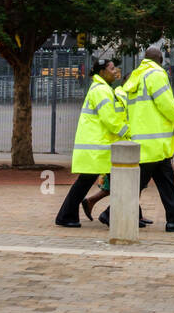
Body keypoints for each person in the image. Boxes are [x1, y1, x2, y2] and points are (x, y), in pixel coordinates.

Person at [119, 47, 174, 232]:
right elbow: (167, 106)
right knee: (140, 183)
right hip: (155, 142)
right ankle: (111, 213)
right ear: (161, 59)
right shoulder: (156, 74)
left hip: (146, 141)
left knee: (165, 182)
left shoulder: (138, 75)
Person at [54, 57, 131, 227]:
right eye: (111, 69)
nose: (115, 71)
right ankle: (67, 216)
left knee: (102, 182)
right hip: (97, 147)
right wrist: (128, 133)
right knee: (115, 181)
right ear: (102, 72)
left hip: (98, 147)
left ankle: (68, 215)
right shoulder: (101, 90)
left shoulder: (101, 88)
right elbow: (109, 119)